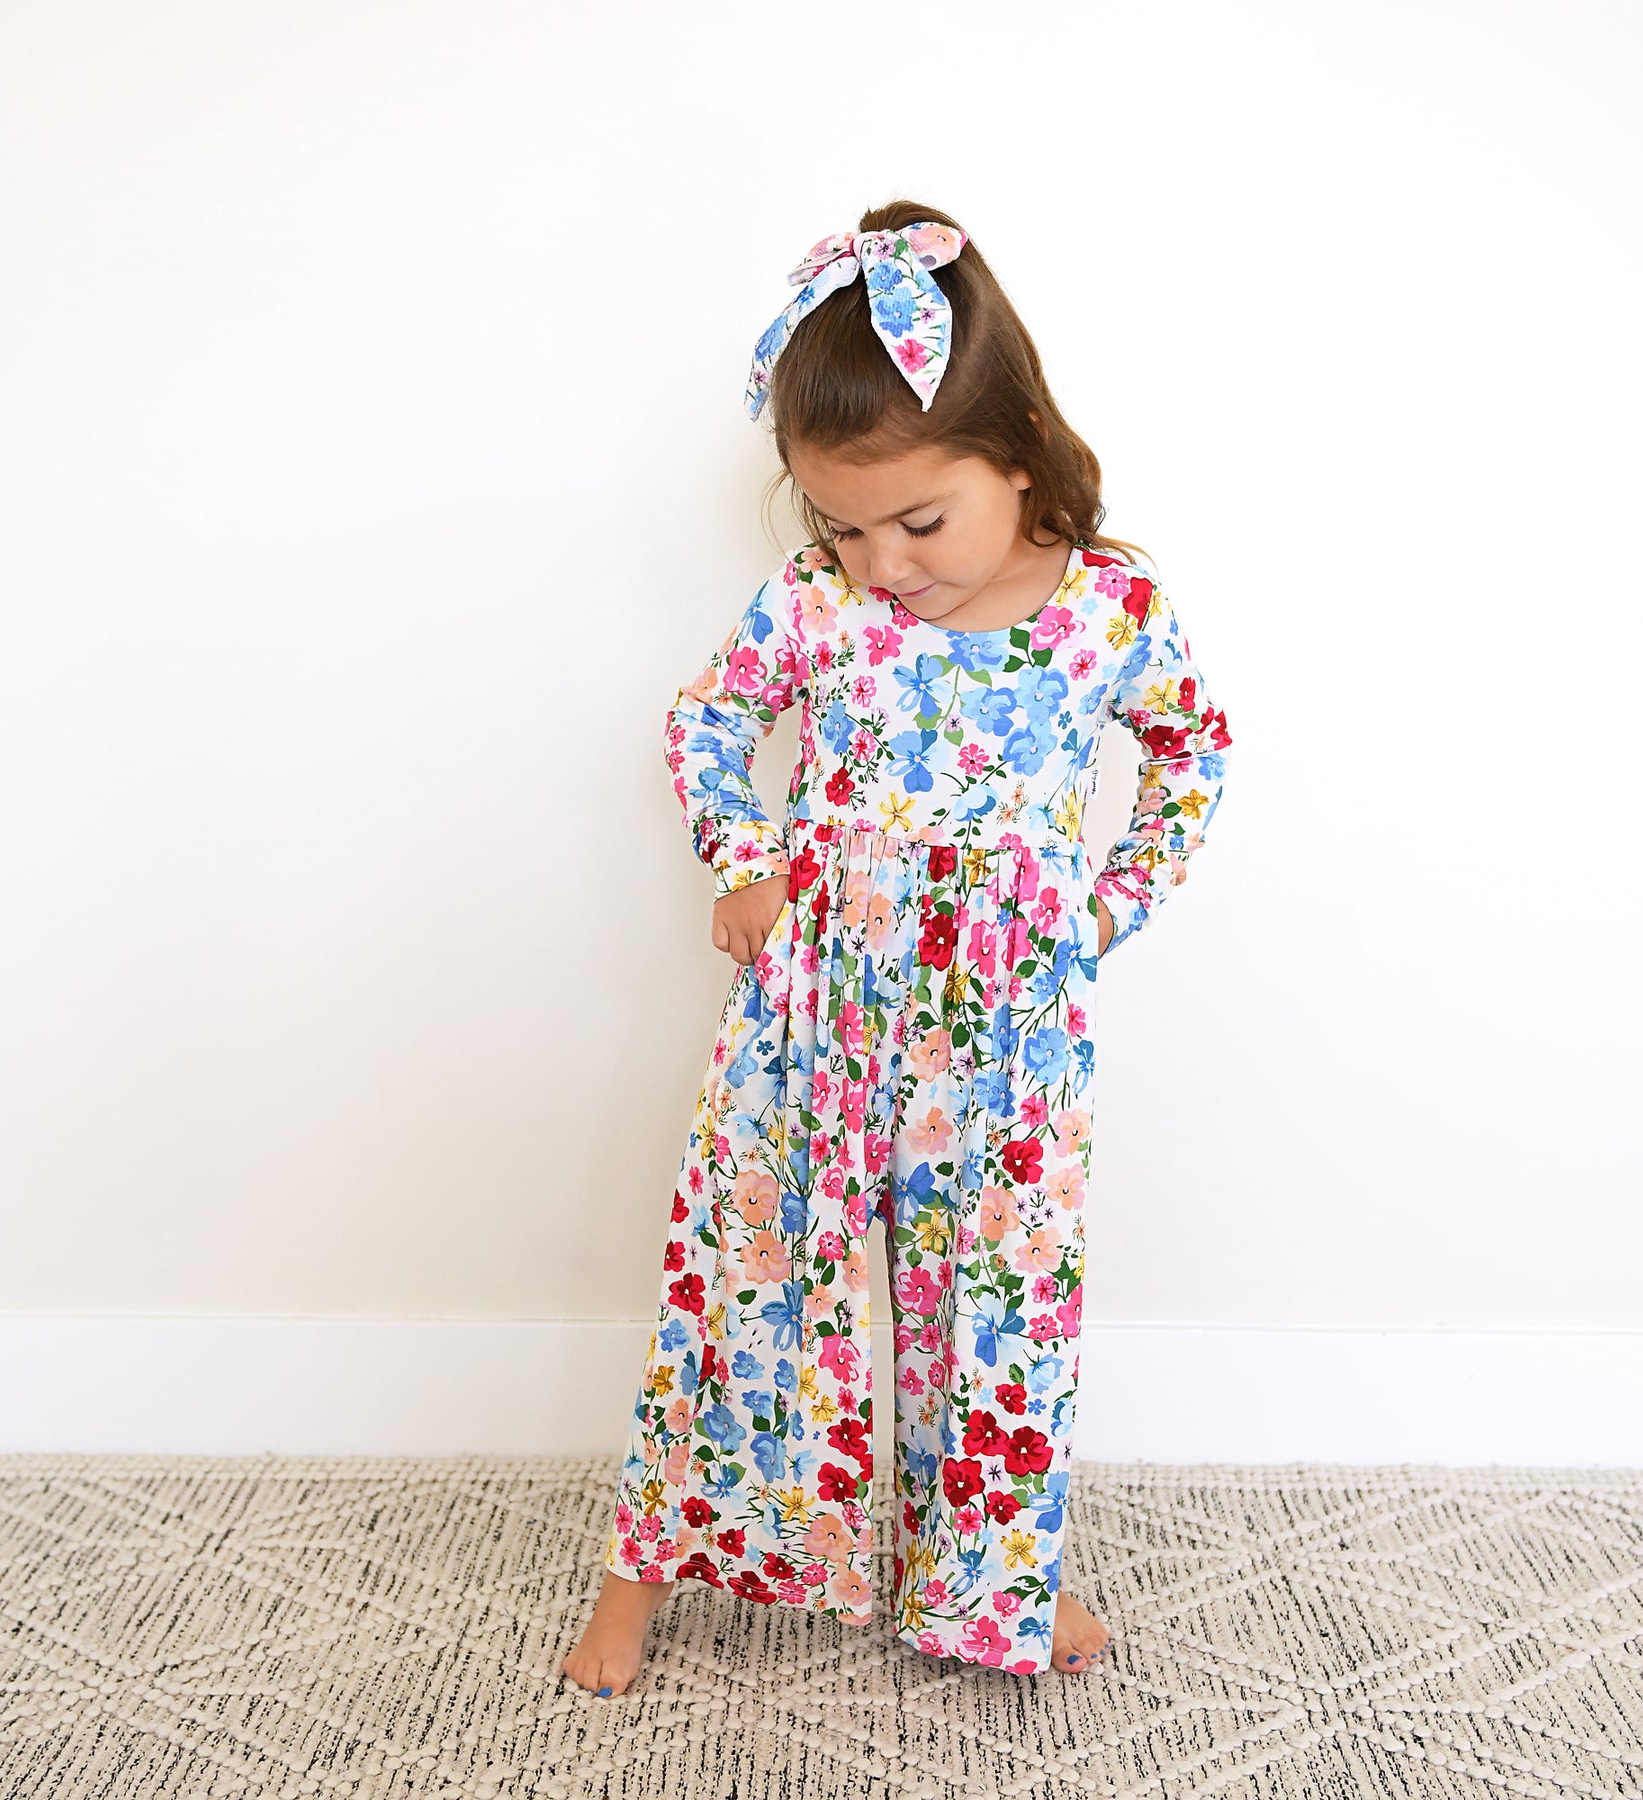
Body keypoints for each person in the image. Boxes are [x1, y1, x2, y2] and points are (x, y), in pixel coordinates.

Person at [561, 202, 1233, 1699]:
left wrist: (1103, 909)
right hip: (815, 1009)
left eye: (918, 523)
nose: (881, 562)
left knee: (995, 1319)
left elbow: (1190, 754)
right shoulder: (818, 604)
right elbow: (711, 719)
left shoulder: (1109, 612)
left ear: (1019, 454)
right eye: (844, 525)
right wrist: (747, 862)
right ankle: (640, 1579)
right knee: (746, 1287)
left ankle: (997, 1578)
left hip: (1008, 1033)